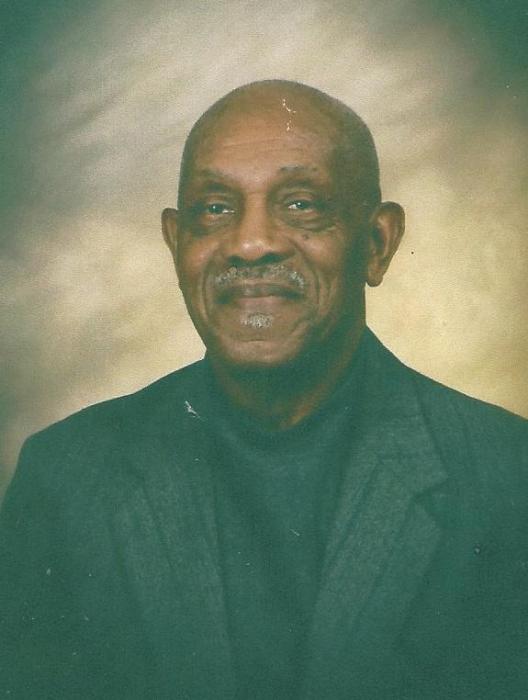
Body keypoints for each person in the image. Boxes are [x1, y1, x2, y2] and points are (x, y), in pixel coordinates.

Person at [1, 80, 527, 700]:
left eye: (301, 204)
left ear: (377, 245)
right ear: (176, 243)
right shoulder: (66, 477)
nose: (251, 244)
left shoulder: (506, 475)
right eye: (215, 208)